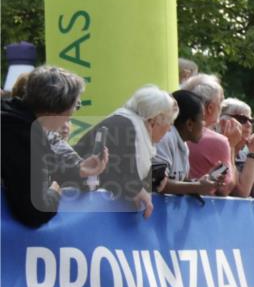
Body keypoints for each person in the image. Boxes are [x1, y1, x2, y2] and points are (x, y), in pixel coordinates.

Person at [1, 66, 106, 227]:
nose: (72, 115)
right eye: (75, 106)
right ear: (61, 109)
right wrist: (55, 190)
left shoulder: (12, 115)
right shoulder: (24, 135)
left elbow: (34, 168)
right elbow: (35, 213)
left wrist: (77, 170)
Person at [77, 85, 178, 218]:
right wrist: (135, 188)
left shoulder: (128, 124)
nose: (170, 129)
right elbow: (104, 170)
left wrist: (151, 182)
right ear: (153, 121)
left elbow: (123, 172)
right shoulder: (124, 127)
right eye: (170, 122)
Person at [153, 90, 225, 196]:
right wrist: (197, 187)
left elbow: (178, 181)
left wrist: (203, 181)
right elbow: (158, 183)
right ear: (189, 124)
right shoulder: (165, 137)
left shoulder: (183, 144)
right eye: (202, 119)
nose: (204, 124)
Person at [181, 74, 239, 195]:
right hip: (201, 205)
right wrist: (232, 146)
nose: (222, 107)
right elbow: (225, 188)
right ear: (210, 108)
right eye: (221, 101)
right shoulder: (218, 141)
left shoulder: (172, 131)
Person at [220, 97, 254, 198]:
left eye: (251, 121)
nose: (249, 124)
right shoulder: (215, 148)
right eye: (242, 119)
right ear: (222, 122)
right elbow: (240, 192)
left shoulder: (243, 155)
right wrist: (253, 155)